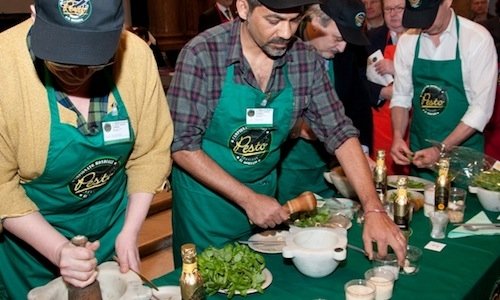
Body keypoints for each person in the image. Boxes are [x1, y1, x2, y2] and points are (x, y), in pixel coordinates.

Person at [167, 0, 407, 268]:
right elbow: (183, 146)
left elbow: (340, 131)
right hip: (205, 207)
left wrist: (373, 208)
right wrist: (247, 199)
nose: (285, 32)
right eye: (273, 21)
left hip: (266, 197)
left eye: (293, 21)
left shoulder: (304, 60)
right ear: (244, 8)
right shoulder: (203, 54)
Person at [0, 0, 173, 298]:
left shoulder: (137, 56)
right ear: (34, 13)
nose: (79, 72)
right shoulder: (5, 67)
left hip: (110, 231)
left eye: (95, 59)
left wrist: (130, 231)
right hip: (31, 247)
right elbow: (2, 186)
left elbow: (151, 152)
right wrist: (57, 250)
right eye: (62, 60)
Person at [277, 0, 373, 201]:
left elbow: (358, 105)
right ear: (315, 24)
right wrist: (298, 127)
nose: (343, 47)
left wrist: (360, 153)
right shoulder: (280, 52)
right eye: (338, 38)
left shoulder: (346, 54)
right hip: (285, 172)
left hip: (331, 172)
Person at [390, 0, 497, 180]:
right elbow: (401, 96)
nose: (423, 24)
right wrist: (398, 136)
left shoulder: (476, 39)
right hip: (421, 155)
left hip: (464, 161)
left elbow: (481, 109)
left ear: (447, 2)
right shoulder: (408, 40)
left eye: (428, 15)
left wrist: (440, 148)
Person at [366, 0, 409, 175]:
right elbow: (357, 79)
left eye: (399, 8)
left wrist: (397, 68)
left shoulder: (423, 37)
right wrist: (382, 92)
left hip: (415, 120)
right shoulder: (370, 39)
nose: (393, 13)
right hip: (380, 119)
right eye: (388, 9)